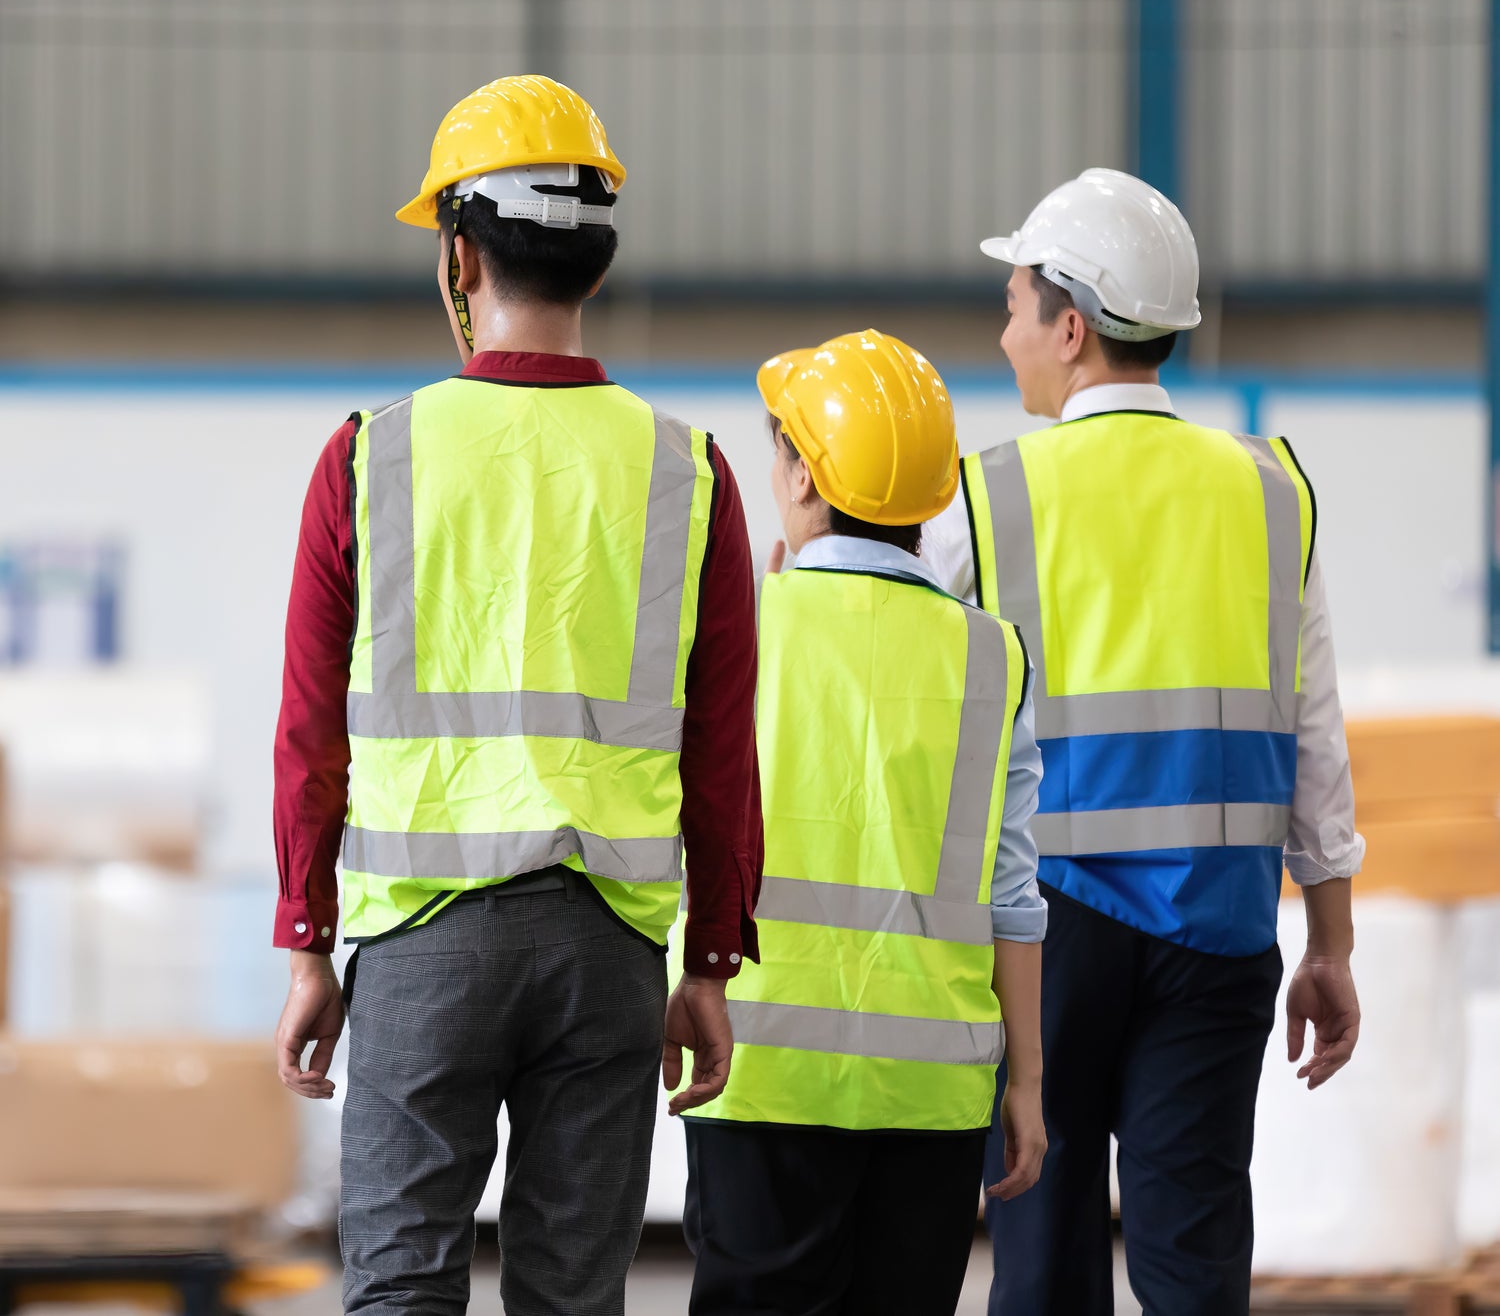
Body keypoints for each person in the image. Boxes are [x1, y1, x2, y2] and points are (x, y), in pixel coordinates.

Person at [269, 75, 763, 1316]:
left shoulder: (368, 456)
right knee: (571, 1299)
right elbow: (719, 750)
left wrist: (307, 944)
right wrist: (709, 956)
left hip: (422, 941)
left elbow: (310, 735)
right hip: (605, 946)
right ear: (592, 266)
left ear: (458, 257)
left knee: (401, 1288)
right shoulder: (687, 472)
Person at [921, 168, 1364, 1315]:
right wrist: (1330, 941)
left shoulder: (989, 496)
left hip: (1051, 932)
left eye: (1016, 303)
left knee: (1044, 1249)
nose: (1003, 329)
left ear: (1071, 327)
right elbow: (1314, 728)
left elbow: (919, 702)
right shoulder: (1269, 490)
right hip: (1220, 929)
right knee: (1193, 1261)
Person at [683, 330, 1048, 1316]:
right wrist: (1028, 1082)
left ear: (803, 474)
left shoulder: (742, 630)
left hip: (761, 1075)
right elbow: (1015, 896)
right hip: (932, 1096)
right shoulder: (990, 657)